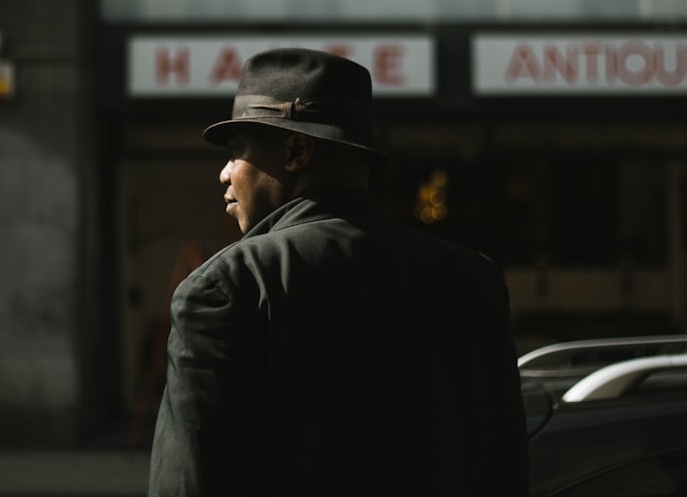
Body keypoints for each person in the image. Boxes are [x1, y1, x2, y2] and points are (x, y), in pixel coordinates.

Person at [148, 48, 528, 496]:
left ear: (295, 150)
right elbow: (504, 472)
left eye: (237, 152)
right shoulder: (473, 279)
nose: (225, 174)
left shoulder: (229, 287)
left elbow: (190, 483)